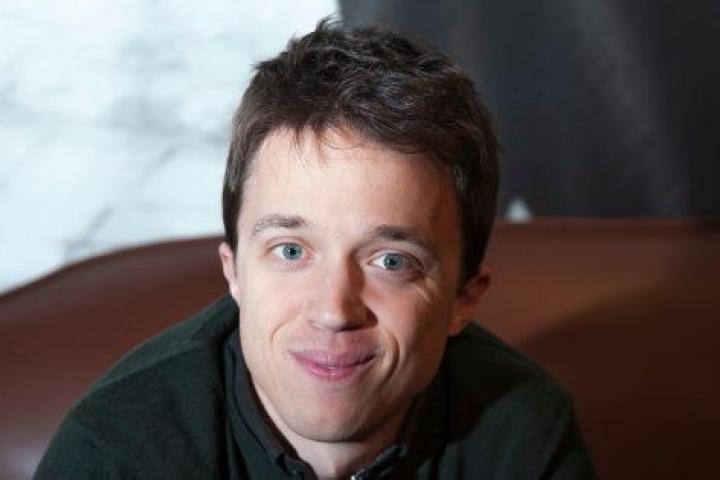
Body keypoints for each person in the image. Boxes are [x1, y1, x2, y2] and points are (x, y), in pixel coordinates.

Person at [35, 19, 595, 479]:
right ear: (234, 273)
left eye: (391, 261)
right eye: (290, 251)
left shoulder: (523, 432)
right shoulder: (114, 455)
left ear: (463, 300)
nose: (333, 310)